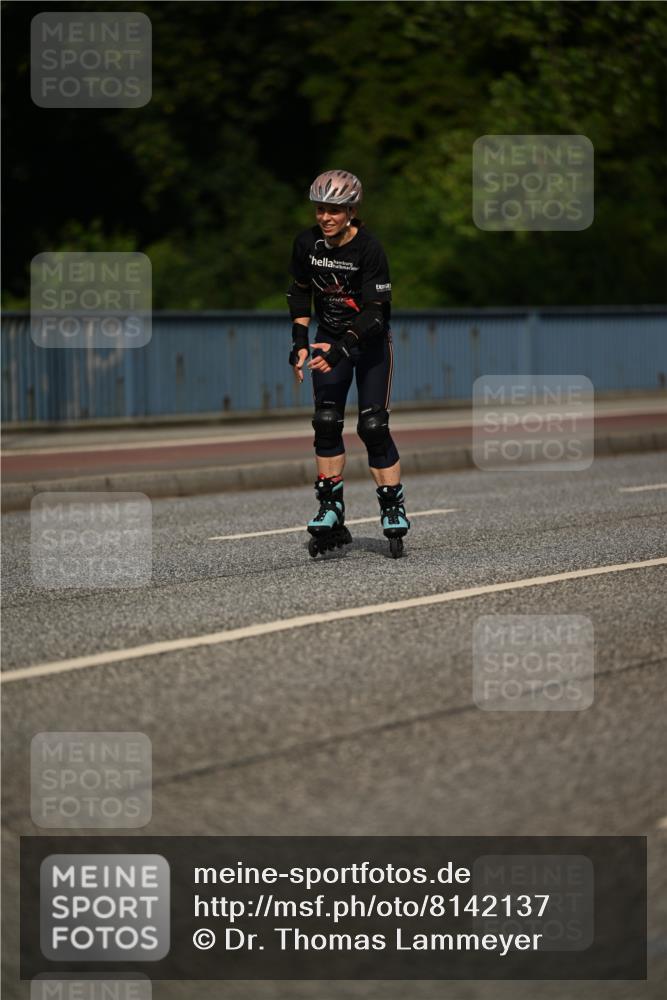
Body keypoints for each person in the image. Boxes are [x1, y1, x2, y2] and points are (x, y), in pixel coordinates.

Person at [287, 169, 411, 558]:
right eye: (321, 209)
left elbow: (376, 314)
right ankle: (330, 507)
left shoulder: (369, 249)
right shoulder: (306, 244)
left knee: (373, 425)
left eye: (335, 211)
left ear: (352, 211)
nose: (325, 217)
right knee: (325, 421)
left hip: (369, 345)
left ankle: (392, 506)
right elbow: (299, 293)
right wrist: (300, 344)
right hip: (328, 342)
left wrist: (341, 349)